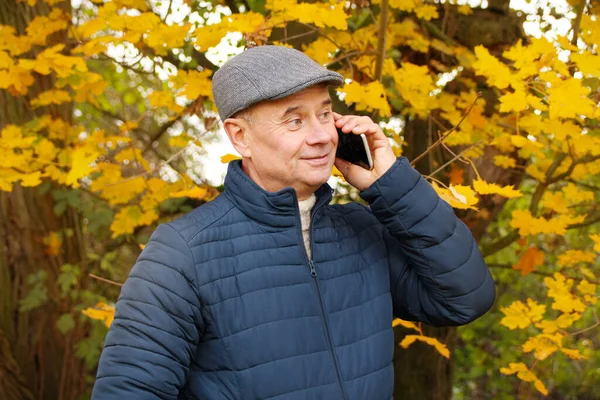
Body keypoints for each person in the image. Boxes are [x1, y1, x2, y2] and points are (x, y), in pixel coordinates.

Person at [91, 45, 495, 400]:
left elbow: (465, 299)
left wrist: (392, 186)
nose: (321, 135)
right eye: (295, 120)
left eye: (325, 113)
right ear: (240, 137)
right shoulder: (183, 253)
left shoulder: (362, 228)